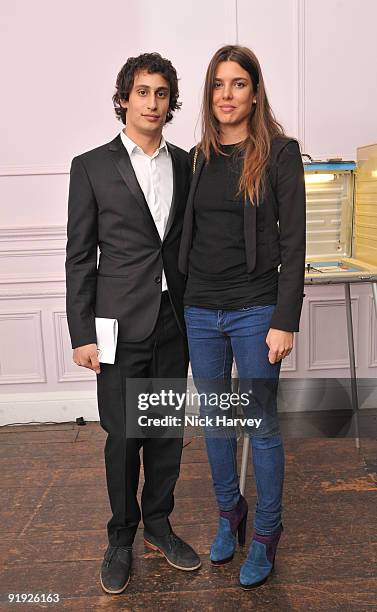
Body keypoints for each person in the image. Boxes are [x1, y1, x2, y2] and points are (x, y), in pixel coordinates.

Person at [65, 52, 200, 595]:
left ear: (171, 102)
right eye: (142, 92)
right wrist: (82, 334)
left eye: (162, 93)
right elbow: (80, 256)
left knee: (166, 433)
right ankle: (120, 536)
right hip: (117, 327)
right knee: (123, 437)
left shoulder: (188, 163)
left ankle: (158, 525)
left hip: (174, 321)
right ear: (124, 98)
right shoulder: (91, 166)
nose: (152, 102)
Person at [179, 45, 306, 589]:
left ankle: (266, 535)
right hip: (200, 311)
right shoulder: (197, 156)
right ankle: (230, 515)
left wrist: (285, 319)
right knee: (217, 425)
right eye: (218, 84)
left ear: (255, 92)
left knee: (261, 426)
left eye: (237, 84)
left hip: (257, 311)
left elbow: (295, 242)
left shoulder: (279, 152)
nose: (226, 95)